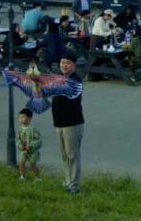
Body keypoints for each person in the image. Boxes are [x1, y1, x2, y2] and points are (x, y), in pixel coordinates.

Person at [51, 51, 84, 194]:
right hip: (59, 123)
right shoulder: (59, 78)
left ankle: (74, 186)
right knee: (65, 155)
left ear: (74, 65)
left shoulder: (75, 80)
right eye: (62, 62)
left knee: (72, 155)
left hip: (72, 124)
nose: (64, 65)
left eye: (68, 63)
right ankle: (67, 181)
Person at [17, 108, 43, 181]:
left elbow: (39, 140)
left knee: (33, 165)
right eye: (19, 117)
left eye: (23, 117)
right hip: (23, 151)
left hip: (32, 151)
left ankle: (37, 178)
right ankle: (22, 176)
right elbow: (17, 139)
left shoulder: (33, 130)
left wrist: (31, 145)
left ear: (29, 118)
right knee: (21, 162)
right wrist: (19, 145)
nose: (21, 119)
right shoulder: (20, 130)